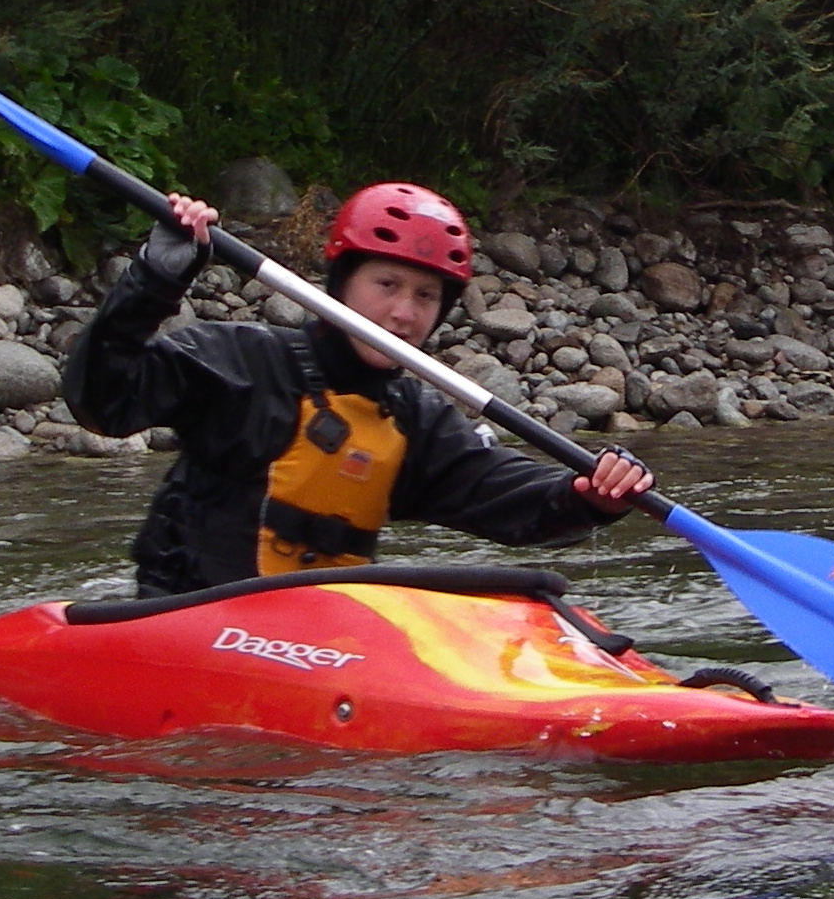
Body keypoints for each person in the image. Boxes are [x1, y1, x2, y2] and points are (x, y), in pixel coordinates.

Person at [64, 181, 657, 596]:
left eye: (425, 296)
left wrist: (589, 495)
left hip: (324, 644)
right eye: (386, 284)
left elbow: (512, 499)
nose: (404, 313)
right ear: (343, 283)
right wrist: (154, 280)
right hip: (187, 626)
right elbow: (102, 402)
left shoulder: (414, 420)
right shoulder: (239, 363)